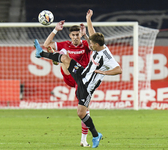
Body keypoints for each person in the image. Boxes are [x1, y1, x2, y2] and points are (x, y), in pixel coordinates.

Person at [34, 9, 122, 148]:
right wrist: (88, 19)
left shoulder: (107, 56)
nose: (90, 45)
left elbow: (119, 70)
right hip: (81, 74)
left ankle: (95, 135)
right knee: (64, 58)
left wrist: (104, 73)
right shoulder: (97, 45)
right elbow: (92, 33)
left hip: (87, 86)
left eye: (92, 44)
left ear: (97, 45)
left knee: (81, 113)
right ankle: (41, 53)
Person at [43, 21, 91, 147]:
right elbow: (46, 44)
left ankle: (83, 140)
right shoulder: (66, 44)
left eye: (77, 35)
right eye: (73, 35)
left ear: (80, 35)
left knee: (84, 109)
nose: (75, 37)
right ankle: (58, 57)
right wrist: (55, 30)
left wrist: (86, 35)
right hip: (69, 76)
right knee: (64, 54)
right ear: (70, 36)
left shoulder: (85, 44)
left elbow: (93, 47)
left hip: (82, 80)